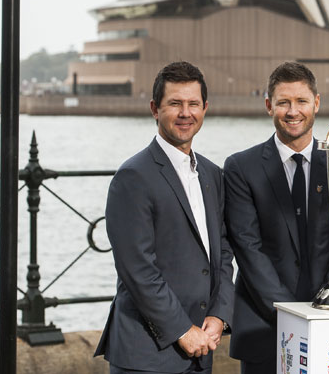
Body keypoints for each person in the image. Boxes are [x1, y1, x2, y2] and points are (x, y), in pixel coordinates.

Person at [224, 61, 329, 374]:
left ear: (316, 103)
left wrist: (325, 305)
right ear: (268, 106)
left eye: (301, 101)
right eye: (283, 102)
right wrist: (289, 315)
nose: (293, 111)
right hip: (264, 325)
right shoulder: (240, 168)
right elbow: (247, 247)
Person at [96, 61, 234, 373]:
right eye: (175, 104)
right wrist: (182, 330)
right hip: (147, 353)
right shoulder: (133, 177)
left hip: (201, 348)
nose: (186, 113)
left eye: (193, 104)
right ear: (155, 109)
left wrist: (219, 313)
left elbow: (223, 251)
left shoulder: (212, 174)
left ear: (205, 108)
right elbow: (137, 269)